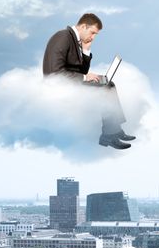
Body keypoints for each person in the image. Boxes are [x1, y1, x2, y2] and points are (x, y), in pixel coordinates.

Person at [43, 13, 135, 149]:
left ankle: (115, 130)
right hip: (59, 85)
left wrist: (85, 51)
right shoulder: (63, 37)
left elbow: (81, 70)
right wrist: (85, 78)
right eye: (92, 33)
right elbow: (54, 73)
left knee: (108, 84)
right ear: (84, 26)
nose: (93, 37)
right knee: (105, 88)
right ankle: (108, 135)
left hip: (71, 81)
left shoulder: (73, 39)